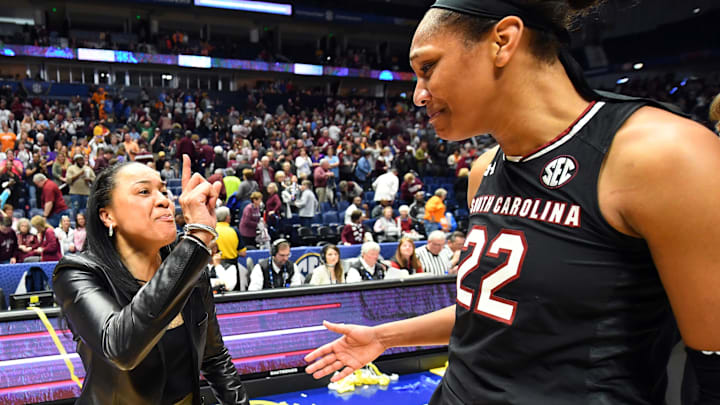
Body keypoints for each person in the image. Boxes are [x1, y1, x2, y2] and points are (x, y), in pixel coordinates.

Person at [304, 1, 720, 404]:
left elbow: (713, 373)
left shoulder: (665, 154)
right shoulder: (484, 171)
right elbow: (495, 314)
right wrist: (383, 336)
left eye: (427, 68)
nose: (418, 95)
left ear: (503, 41)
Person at [52, 155, 250, 404]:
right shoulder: (76, 273)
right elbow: (121, 349)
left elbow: (214, 357)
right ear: (107, 216)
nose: (164, 201)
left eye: (164, 191)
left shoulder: (190, 265)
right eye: (144, 191)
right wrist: (197, 237)